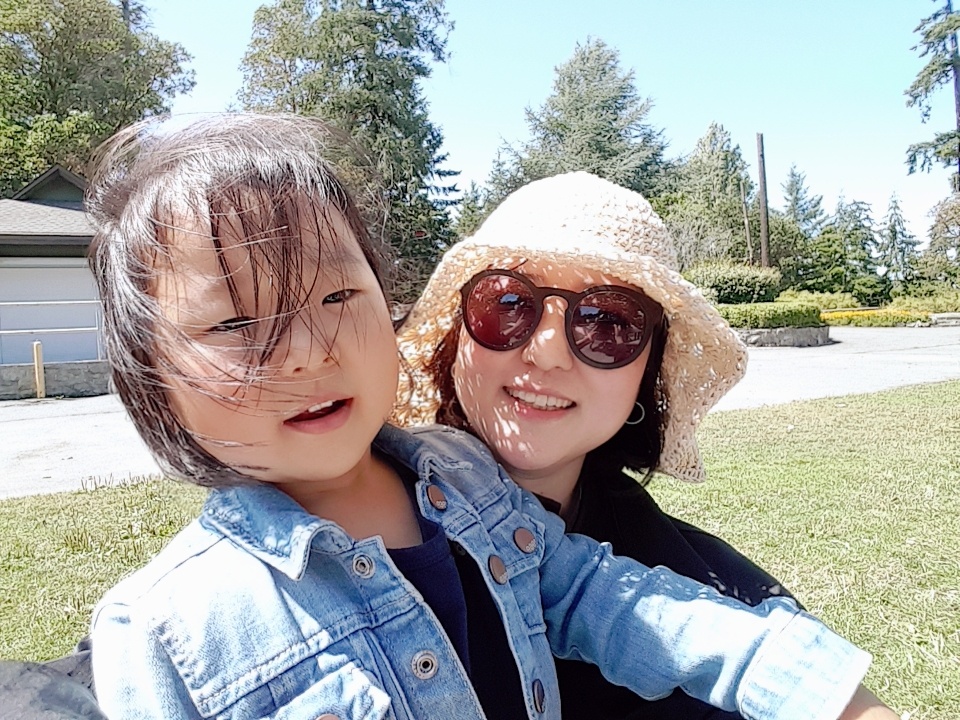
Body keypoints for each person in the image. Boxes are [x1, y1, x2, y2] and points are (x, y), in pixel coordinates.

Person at [80, 114, 891, 720]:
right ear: (150, 378)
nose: (304, 353)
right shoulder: (165, 631)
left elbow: (628, 606)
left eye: (607, 322)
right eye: (508, 305)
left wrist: (828, 693)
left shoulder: (478, 498)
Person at [394, 171, 888, 719]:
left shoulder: (699, 585)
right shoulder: (354, 522)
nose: (548, 352)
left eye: (607, 321)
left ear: (648, 371)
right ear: (456, 336)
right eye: (508, 302)